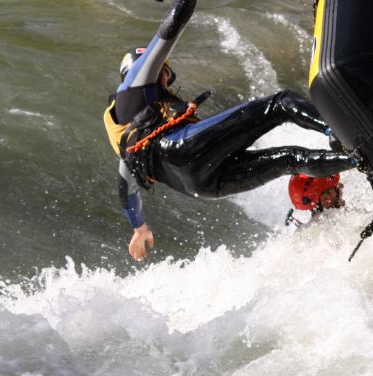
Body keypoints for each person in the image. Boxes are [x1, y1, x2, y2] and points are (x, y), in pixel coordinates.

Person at [103, 0, 355, 261]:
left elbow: (125, 187)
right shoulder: (137, 82)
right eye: (165, 71)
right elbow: (174, 23)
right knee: (279, 104)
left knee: (289, 159)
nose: (166, 77)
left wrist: (139, 227)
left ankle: (360, 159)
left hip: (200, 186)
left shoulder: (125, 130)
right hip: (182, 148)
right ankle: (339, 134)